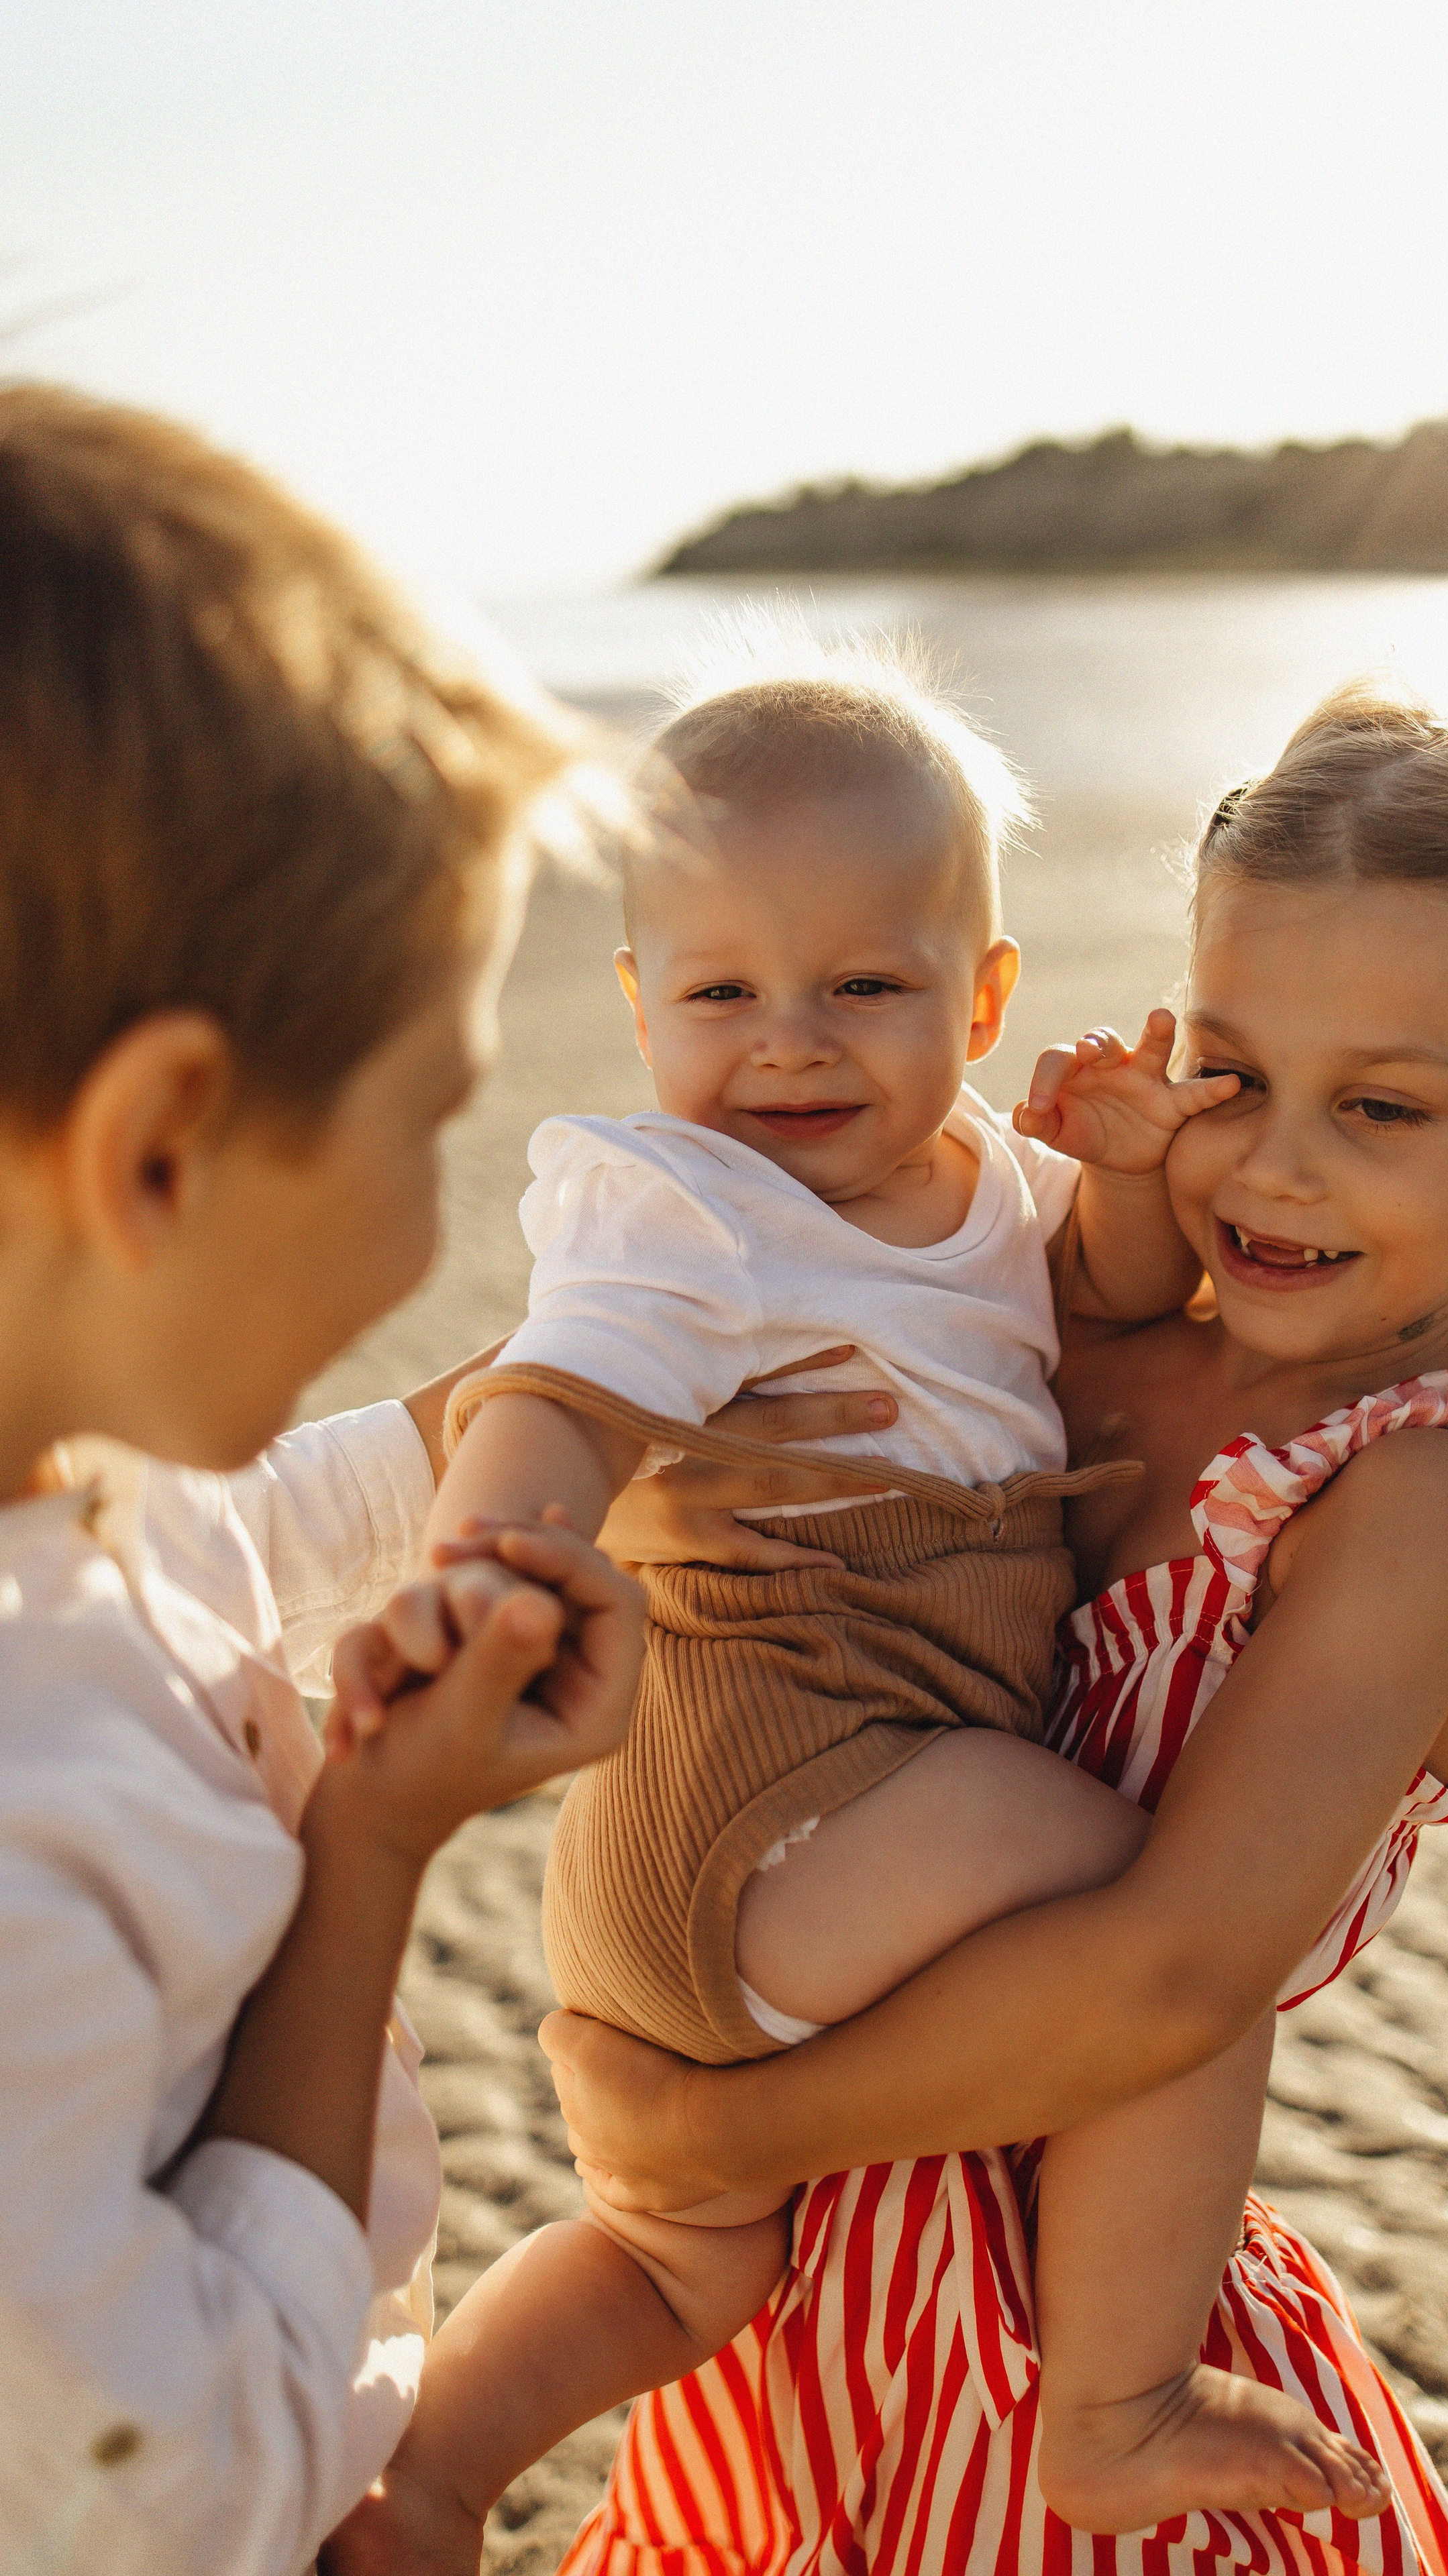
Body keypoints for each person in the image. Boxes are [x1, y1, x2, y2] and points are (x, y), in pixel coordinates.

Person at [537, 686, 1448, 2575]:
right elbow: (593, 1416)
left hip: (1073, 2346)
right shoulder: (1057, 1343)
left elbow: (1174, 1981)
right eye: (1234, 1077)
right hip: (782, 2334)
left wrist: (705, 2134)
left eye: (1385, 1108)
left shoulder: (1432, 1498)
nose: (1275, 1171)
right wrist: (659, 1474)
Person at [327, 639, 1402, 2571]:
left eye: (866, 989)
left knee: (677, 2267)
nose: (791, 1044)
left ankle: (438, 2469)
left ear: (983, 999)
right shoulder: (687, 1211)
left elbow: (1116, 1292)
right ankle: (1115, 2406)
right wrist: (501, 1551)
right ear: (640, 1002)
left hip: (740, 1848)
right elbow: (557, 1393)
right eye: (724, 991)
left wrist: (1133, 1174)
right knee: (1166, 1930)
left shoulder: (987, 1180)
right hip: (786, 1785)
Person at [0, 384, 645, 2576]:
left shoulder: (57, 1458)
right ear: (158, 1146)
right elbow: (166, 2486)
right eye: (426, 1124)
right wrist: (372, 1843)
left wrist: (466, 1438)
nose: (429, 1211)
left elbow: (213, 1546)